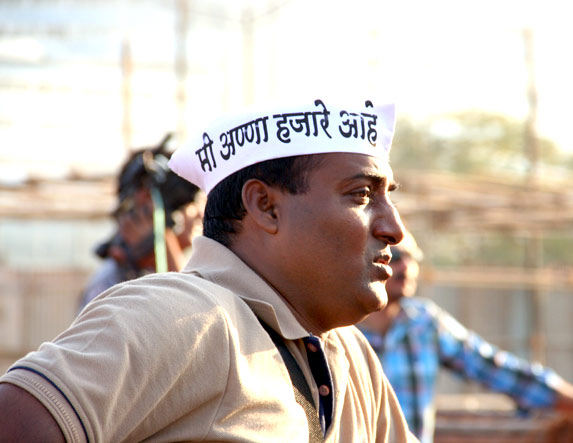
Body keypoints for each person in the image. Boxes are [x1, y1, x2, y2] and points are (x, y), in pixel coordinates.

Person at [0, 99, 419, 442]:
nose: (394, 228)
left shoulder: (350, 353)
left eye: (389, 198)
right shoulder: (182, 316)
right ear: (265, 206)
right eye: (361, 195)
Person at [357, 231, 573, 442]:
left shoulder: (423, 323)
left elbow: (494, 369)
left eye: (412, 257)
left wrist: (572, 402)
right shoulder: (340, 331)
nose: (406, 266)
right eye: (394, 256)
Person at [79, 134, 205, 310]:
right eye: (193, 202)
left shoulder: (188, 268)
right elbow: (193, 316)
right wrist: (162, 241)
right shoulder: (110, 287)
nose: (200, 213)